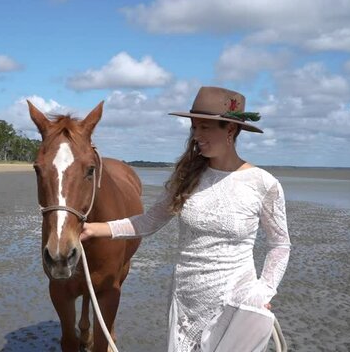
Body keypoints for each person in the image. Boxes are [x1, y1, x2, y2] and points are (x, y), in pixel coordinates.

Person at [81, 86, 291, 351]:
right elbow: (149, 222)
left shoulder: (263, 184)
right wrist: (94, 229)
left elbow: (280, 245)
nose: (196, 135)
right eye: (194, 127)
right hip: (186, 299)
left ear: (230, 130)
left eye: (205, 128)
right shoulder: (186, 177)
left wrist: (264, 290)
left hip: (238, 302)